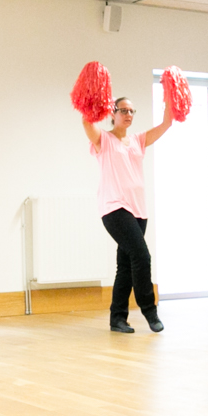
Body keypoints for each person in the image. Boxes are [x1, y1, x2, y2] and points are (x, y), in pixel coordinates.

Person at [82, 93, 172, 333]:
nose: (128, 114)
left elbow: (165, 125)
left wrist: (169, 106)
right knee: (142, 257)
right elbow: (87, 123)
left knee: (126, 265)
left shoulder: (137, 140)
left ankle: (117, 318)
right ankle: (150, 311)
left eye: (131, 111)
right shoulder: (103, 139)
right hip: (114, 208)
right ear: (112, 114)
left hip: (138, 210)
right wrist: (92, 102)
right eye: (123, 110)